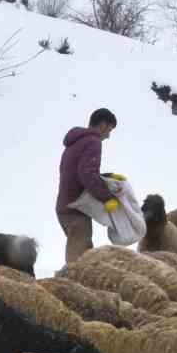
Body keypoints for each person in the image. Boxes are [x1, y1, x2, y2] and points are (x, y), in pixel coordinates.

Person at [56, 108, 118, 265]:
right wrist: (107, 197)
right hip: (76, 209)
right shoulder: (93, 141)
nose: (108, 136)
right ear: (103, 125)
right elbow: (87, 174)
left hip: (64, 206)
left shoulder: (75, 142)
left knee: (82, 255)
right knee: (80, 263)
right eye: (109, 130)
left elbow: (78, 171)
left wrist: (107, 177)